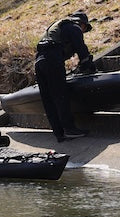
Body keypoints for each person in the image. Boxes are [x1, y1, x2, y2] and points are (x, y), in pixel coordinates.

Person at [35, 10, 96, 142]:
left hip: (39, 61)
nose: (83, 32)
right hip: (52, 60)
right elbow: (82, 50)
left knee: (48, 100)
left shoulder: (58, 27)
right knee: (60, 96)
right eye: (85, 28)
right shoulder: (74, 27)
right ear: (82, 24)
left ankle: (59, 133)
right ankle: (69, 129)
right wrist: (88, 65)